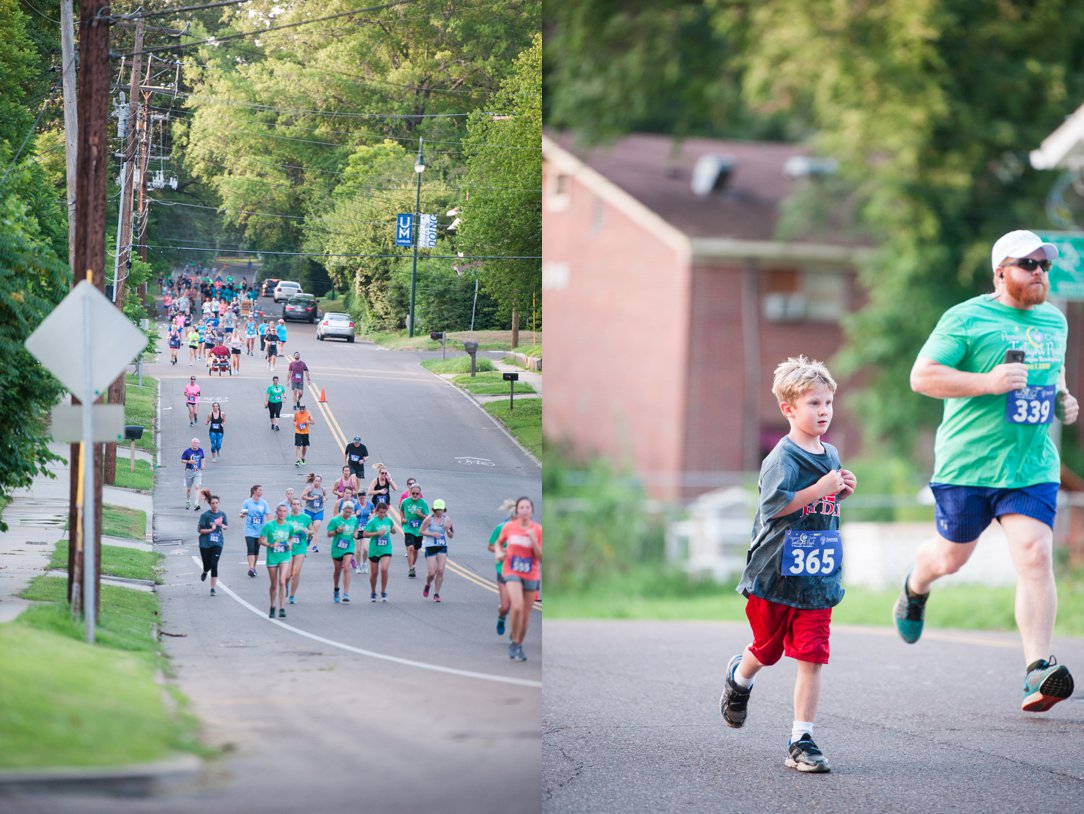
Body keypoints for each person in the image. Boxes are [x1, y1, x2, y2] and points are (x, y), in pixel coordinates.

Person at [894, 230, 1079, 713]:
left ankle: (1038, 668)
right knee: (951, 559)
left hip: (1031, 466)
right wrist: (988, 381)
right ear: (1000, 272)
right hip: (969, 466)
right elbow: (922, 375)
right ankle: (916, 585)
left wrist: (1061, 397)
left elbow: (1051, 370)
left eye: (1044, 265)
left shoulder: (1054, 321)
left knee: (1036, 556)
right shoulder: (967, 317)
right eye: (1027, 264)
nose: (1039, 272)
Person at [720, 356, 856, 774]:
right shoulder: (782, 457)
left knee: (812, 655)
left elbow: (821, 505)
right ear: (789, 409)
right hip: (775, 573)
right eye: (814, 403)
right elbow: (776, 506)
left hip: (816, 575)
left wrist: (839, 491)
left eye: (828, 402)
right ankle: (739, 680)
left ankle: (802, 739)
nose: (824, 411)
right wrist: (820, 488)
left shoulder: (830, 453)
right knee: (768, 649)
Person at [259, 503, 294, 619]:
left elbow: (291, 537)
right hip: (273, 556)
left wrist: (289, 544)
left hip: (284, 556)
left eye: (285, 511)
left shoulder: (289, 526)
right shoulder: (269, 525)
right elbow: (261, 540)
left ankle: (282, 608)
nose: (283, 513)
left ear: (287, 513)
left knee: (282, 581)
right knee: (274, 584)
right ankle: (273, 606)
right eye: (280, 511)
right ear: (277, 512)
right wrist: (271, 544)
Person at [488, 499, 517, 636]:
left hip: (520, 571)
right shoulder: (501, 528)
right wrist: (502, 552)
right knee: (506, 606)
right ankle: (502, 617)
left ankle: (515, 631)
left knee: (517, 605)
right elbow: (490, 546)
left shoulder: (527, 530)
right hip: (503, 569)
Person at [359, 501, 397, 602]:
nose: (382, 514)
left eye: (384, 512)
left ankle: (383, 592)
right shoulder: (372, 521)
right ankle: (373, 592)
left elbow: (393, 531)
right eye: (381, 512)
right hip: (374, 549)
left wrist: (393, 530)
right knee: (374, 573)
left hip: (386, 548)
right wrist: (377, 533)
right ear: (376, 511)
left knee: (384, 569)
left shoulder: (388, 520)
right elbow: (365, 534)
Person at [419, 498, 453, 602]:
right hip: (430, 546)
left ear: (444, 510)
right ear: (434, 509)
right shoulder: (429, 519)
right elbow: (421, 531)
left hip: (442, 545)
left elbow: (451, 536)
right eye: (437, 509)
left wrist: (447, 530)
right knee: (431, 572)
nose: (439, 511)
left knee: (441, 570)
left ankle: (436, 593)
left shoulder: (447, 520)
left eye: (441, 509)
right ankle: (428, 584)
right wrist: (432, 534)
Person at [326, 500, 359, 604]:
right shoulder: (335, 520)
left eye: (350, 512)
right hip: (337, 548)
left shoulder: (354, 520)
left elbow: (356, 529)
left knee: (346, 567)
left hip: (349, 546)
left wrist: (355, 534)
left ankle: (346, 593)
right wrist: (336, 531)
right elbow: (329, 534)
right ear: (342, 510)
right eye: (346, 512)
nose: (348, 514)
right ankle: (336, 589)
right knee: (337, 571)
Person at [197, 491, 228, 596]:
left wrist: (224, 526)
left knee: (214, 564)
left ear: (219, 503)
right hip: (205, 543)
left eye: (216, 503)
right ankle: (205, 571)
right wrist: (211, 529)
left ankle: (212, 589)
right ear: (210, 504)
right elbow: (200, 530)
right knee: (207, 564)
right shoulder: (205, 515)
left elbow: (225, 525)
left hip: (218, 543)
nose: (215, 505)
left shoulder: (222, 515)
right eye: (213, 503)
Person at [286, 496, 313, 605]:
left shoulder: (305, 518)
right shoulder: (286, 518)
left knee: (296, 572)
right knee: (288, 575)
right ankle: (286, 585)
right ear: (291, 506)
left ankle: (292, 595)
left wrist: (306, 530)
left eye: (298, 504)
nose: (296, 506)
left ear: (301, 506)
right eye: (294, 504)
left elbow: (313, 531)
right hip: (288, 547)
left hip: (301, 547)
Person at [399, 483, 429, 579]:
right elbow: (401, 510)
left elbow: (427, 517)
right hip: (408, 528)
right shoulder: (405, 502)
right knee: (410, 548)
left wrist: (421, 515)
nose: (415, 495)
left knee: (416, 549)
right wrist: (402, 518)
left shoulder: (423, 503)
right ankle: (411, 568)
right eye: (413, 493)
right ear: (410, 492)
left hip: (419, 529)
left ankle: (413, 565)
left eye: (417, 493)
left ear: (420, 494)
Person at [240, 484, 271, 578]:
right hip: (249, 530)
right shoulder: (247, 502)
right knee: (250, 549)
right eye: (260, 490)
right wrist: (242, 515)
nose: (261, 492)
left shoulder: (264, 503)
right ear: (254, 491)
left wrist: (270, 526)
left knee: (256, 551)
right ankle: (251, 568)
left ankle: (253, 567)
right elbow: (242, 514)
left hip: (260, 530)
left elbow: (268, 515)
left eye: (262, 490)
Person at [300, 472, 328, 542]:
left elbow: (326, 496)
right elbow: (302, 497)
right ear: (313, 481)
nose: (317, 483)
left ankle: (315, 546)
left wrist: (324, 499)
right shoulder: (309, 488)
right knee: (310, 528)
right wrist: (311, 498)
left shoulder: (322, 489)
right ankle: (309, 537)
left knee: (316, 527)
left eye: (319, 481)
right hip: (309, 510)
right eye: (316, 481)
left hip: (319, 510)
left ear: (321, 482)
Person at [181, 438, 206, 511]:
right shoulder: (187, 451)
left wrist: (203, 464)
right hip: (189, 471)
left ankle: (196, 504)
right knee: (189, 489)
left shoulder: (200, 450)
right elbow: (182, 460)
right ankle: (188, 501)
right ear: (191, 444)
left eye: (197, 443)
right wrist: (189, 461)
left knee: (197, 487)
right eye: (194, 443)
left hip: (197, 471)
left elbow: (203, 457)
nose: (196, 445)